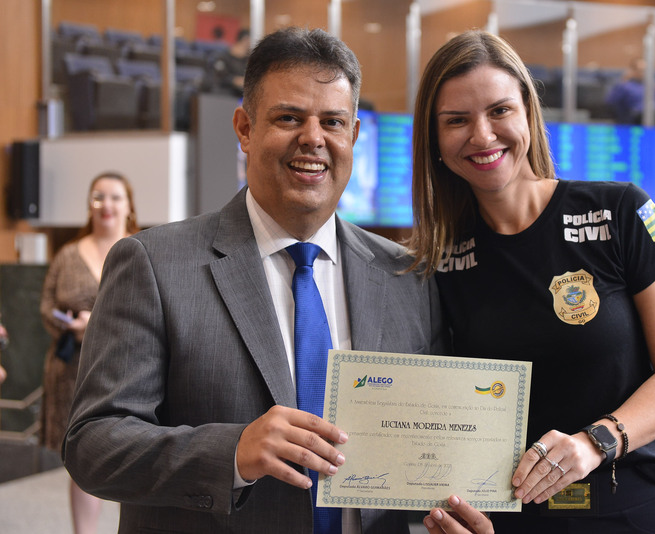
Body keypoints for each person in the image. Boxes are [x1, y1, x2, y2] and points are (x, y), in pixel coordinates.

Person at [63, 27, 446, 534]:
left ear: (353, 136)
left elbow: (425, 450)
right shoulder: (153, 265)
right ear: (244, 128)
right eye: (289, 118)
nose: (313, 138)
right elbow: (93, 444)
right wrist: (232, 452)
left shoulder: (407, 276)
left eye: (332, 121)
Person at [406, 30, 655, 533]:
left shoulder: (622, 211)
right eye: (456, 120)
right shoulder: (436, 261)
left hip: (628, 506)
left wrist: (595, 443)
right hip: (510, 516)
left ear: (527, 112)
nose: (482, 135)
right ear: (434, 140)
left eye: (499, 110)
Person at [39, 171, 139, 534]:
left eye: (115, 197)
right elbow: (46, 304)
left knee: (134, 454)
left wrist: (95, 325)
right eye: (98, 197)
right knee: (81, 458)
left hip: (130, 369)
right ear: (89, 205)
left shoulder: (144, 249)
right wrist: (70, 326)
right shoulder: (69, 253)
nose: (106, 205)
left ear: (129, 206)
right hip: (74, 371)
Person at [604, 57, 655, 125]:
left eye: (646, 70)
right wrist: (622, 81)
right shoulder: (625, 86)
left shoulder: (653, 85)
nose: (644, 73)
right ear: (633, 71)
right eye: (641, 70)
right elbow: (610, 102)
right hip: (635, 118)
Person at [210, 28, 251, 98]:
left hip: (241, 94)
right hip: (224, 93)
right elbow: (218, 78)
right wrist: (234, 80)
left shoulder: (247, 60)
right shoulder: (223, 57)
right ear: (244, 41)